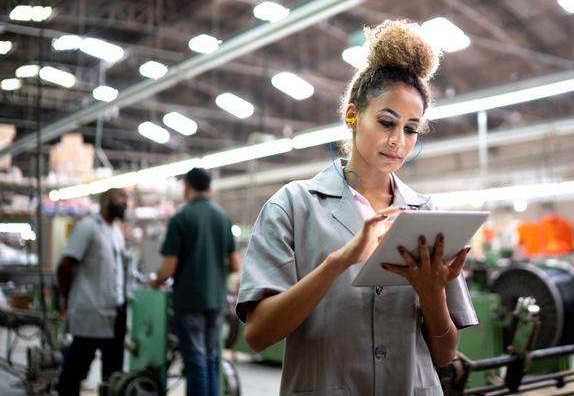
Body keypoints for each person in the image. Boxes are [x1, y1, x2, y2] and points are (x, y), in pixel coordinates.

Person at [236, 20, 477, 395]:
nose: (398, 141)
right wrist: (339, 261)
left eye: (411, 129)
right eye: (386, 122)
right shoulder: (292, 207)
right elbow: (257, 335)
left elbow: (445, 354)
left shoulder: (425, 214)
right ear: (352, 115)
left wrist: (432, 294)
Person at [150, 167, 240, 396]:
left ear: (187, 186)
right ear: (209, 187)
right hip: (216, 300)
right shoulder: (222, 217)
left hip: (189, 301)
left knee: (195, 361)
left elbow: (168, 269)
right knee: (212, 358)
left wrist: (154, 282)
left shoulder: (181, 217)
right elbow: (236, 265)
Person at [57, 188, 129, 396]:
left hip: (116, 311)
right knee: (75, 370)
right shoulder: (88, 227)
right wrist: (68, 298)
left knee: (113, 373)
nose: (125, 203)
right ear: (106, 200)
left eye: (127, 199)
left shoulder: (116, 233)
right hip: (91, 312)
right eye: (121, 198)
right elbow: (65, 266)